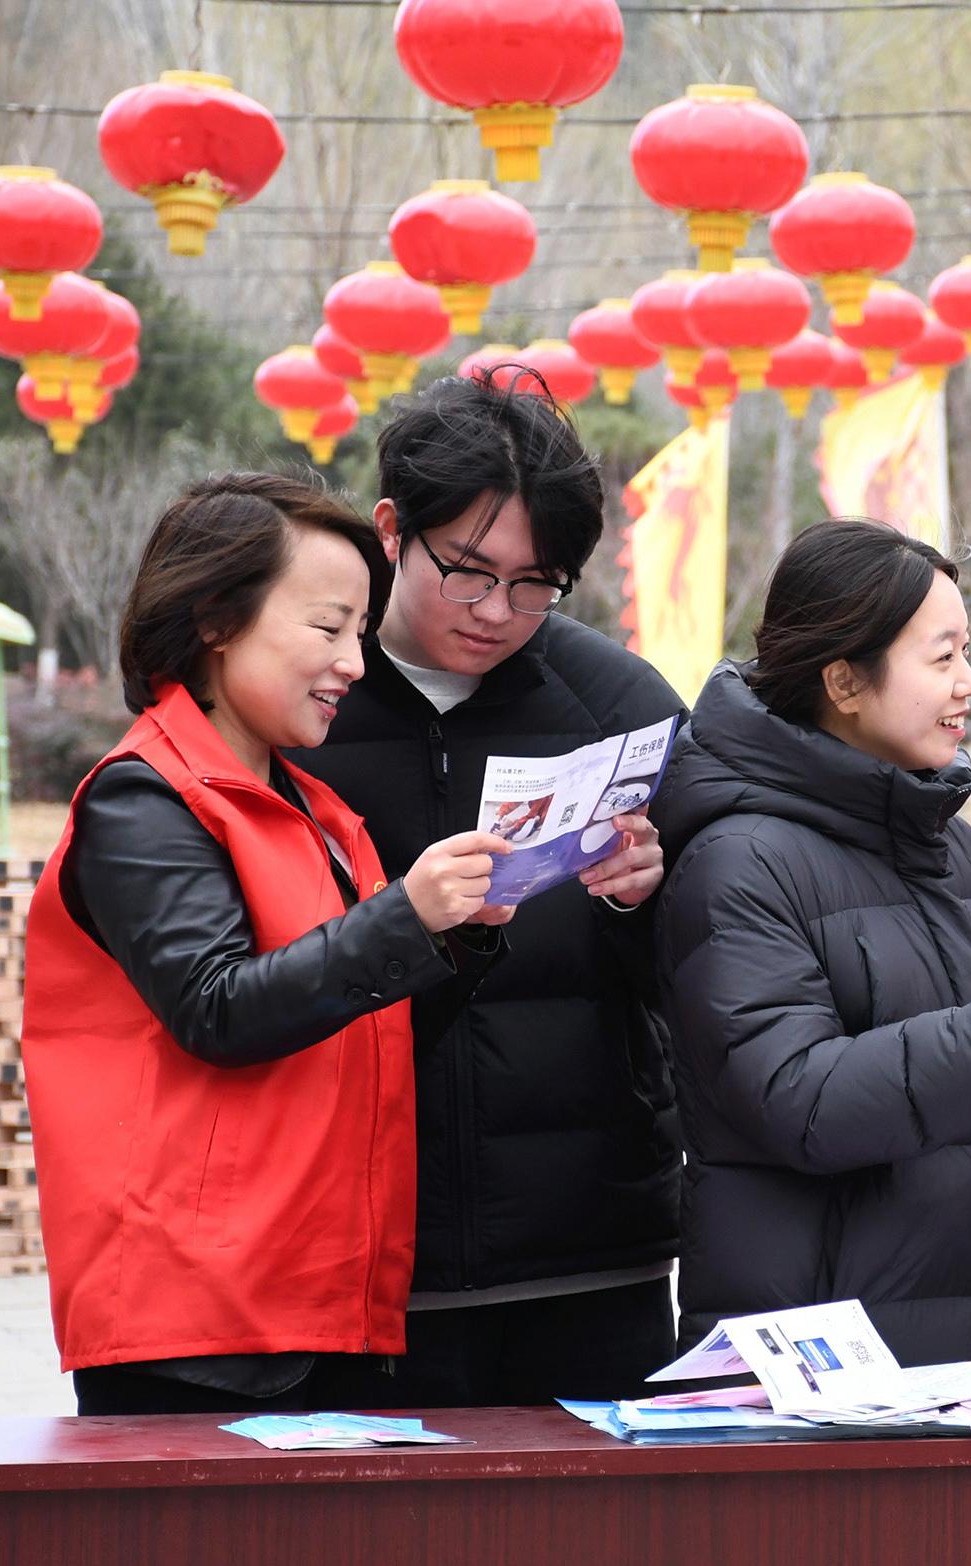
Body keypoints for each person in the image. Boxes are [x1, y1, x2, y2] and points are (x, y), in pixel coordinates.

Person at [23, 473, 511, 1415]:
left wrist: (456, 938)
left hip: (317, 1299)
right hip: (197, 1324)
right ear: (216, 619)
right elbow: (218, 1011)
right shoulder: (142, 797)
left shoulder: (315, 809)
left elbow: (360, 1029)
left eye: (360, 634)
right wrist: (404, 918)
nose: (353, 664)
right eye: (327, 628)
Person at [651, 519, 971, 1390]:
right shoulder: (737, 860)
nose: (969, 683)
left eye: (967, 652)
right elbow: (795, 1099)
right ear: (844, 681)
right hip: (827, 1376)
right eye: (943, 658)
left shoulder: (950, 847)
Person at [285, 371, 686, 1405]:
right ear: (391, 531)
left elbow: (709, 975)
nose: (499, 612)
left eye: (536, 583)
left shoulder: (617, 704)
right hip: (356, 1254)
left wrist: (644, 900)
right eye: (467, 573)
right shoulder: (299, 705)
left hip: (589, 1254)